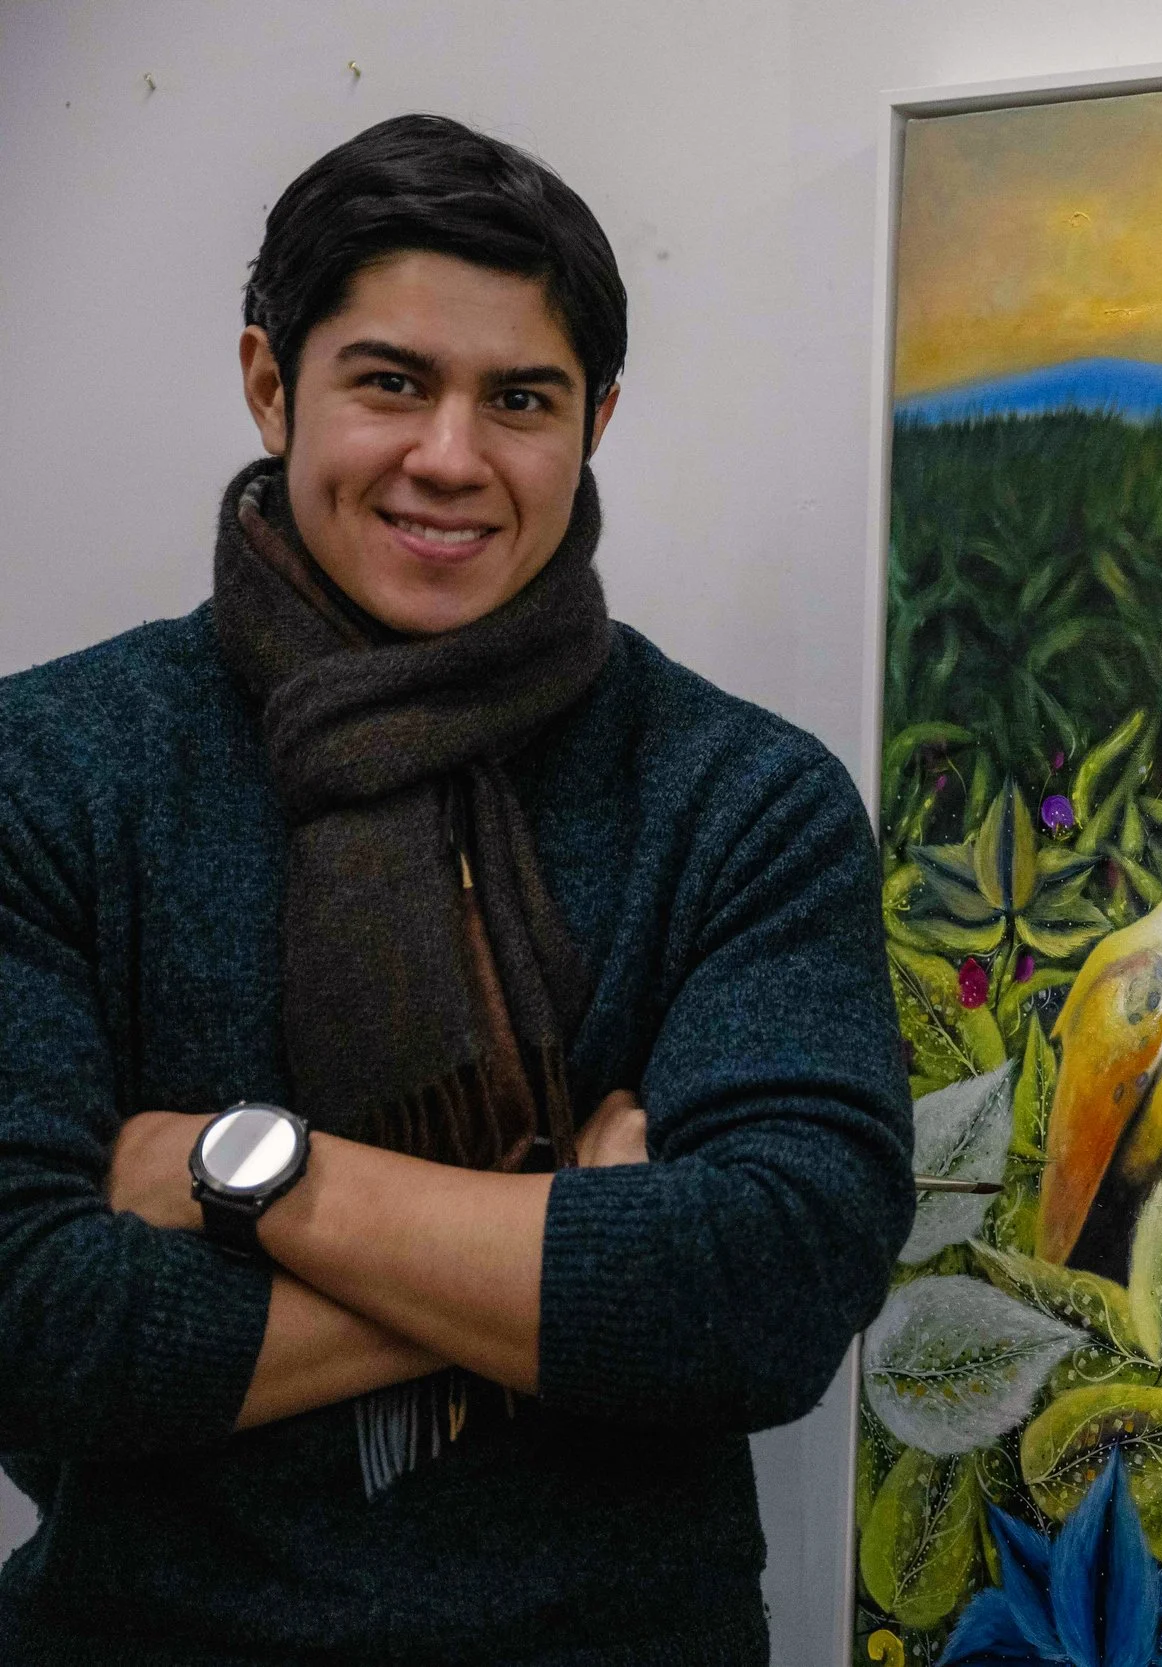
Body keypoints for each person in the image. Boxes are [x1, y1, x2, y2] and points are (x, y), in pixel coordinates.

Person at [0, 114, 914, 1664]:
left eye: (521, 399)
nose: (450, 455)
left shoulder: (739, 798)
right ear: (269, 382)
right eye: (391, 381)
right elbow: (33, 1326)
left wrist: (252, 1177)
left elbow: (769, 1292)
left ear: (597, 420)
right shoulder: (54, 769)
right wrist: (579, 1228)